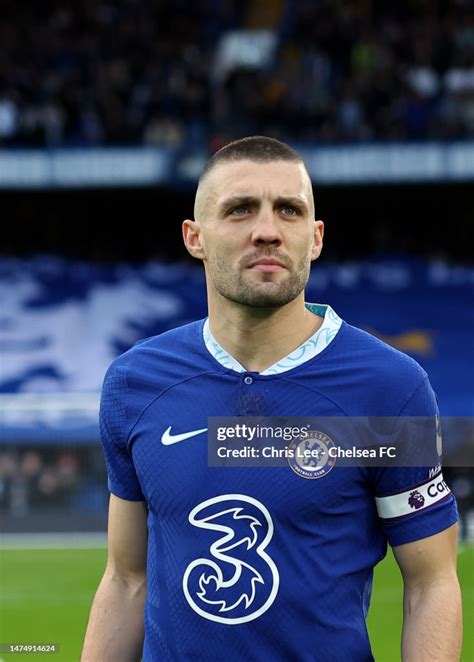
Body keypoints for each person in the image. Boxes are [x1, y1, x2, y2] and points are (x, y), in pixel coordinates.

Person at [82, 136, 462, 661]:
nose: (267, 231)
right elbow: (125, 579)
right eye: (239, 210)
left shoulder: (391, 388)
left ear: (316, 237)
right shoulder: (135, 383)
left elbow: (432, 583)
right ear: (195, 237)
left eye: (290, 210)